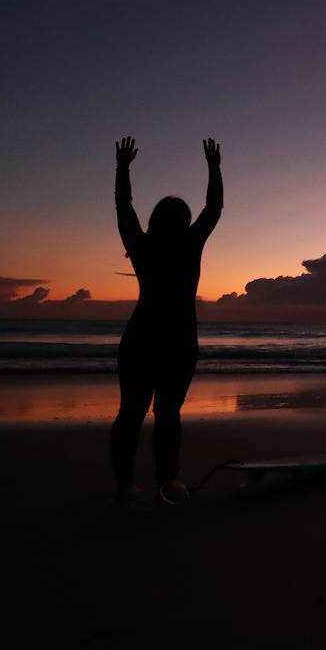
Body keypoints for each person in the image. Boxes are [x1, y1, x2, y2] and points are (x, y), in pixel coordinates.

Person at [110, 136, 223, 504]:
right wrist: (213, 166)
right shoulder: (190, 243)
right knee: (167, 414)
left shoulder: (141, 245)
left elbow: (123, 206)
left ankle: (125, 484)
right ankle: (167, 480)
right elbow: (215, 206)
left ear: (155, 219)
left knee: (131, 413)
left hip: (141, 337)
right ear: (185, 221)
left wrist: (123, 167)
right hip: (178, 339)